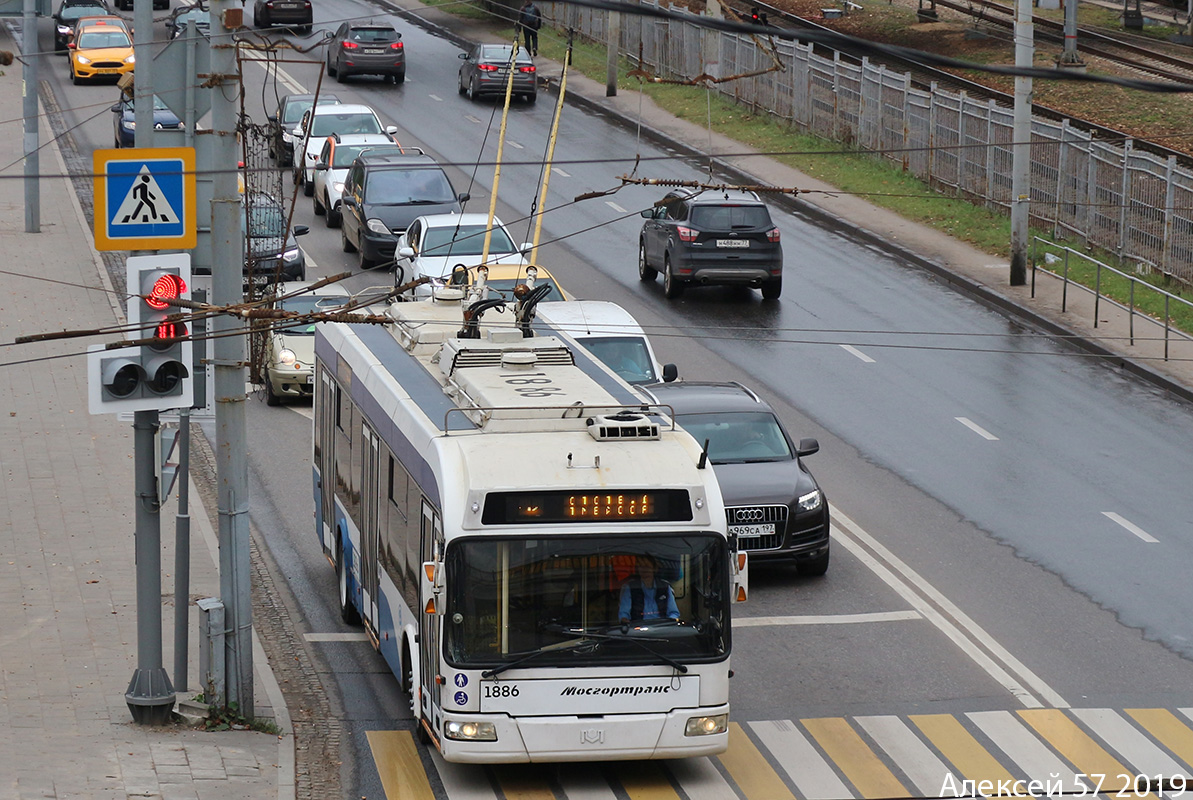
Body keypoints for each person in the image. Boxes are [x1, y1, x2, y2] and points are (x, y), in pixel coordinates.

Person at [618, 555, 680, 624]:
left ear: (654, 568)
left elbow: (674, 613)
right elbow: (624, 614)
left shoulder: (665, 587)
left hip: (662, 628)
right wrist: (624, 620)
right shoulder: (630, 587)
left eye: (647, 566)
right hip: (637, 629)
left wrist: (669, 623)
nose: (644, 569)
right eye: (641, 566)